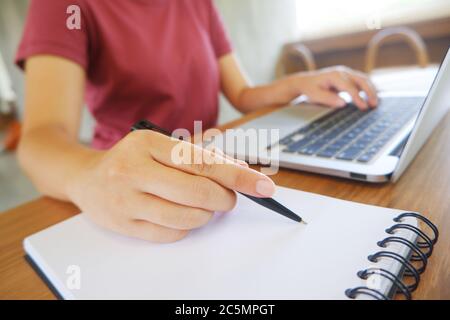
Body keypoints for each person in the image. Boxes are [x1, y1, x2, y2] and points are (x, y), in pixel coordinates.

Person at [16, 0, 377, 243]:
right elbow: (40, 139)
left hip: (211, 163)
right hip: (128, 183)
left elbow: (243, 94)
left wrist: (296, 85)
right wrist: (87, 177)